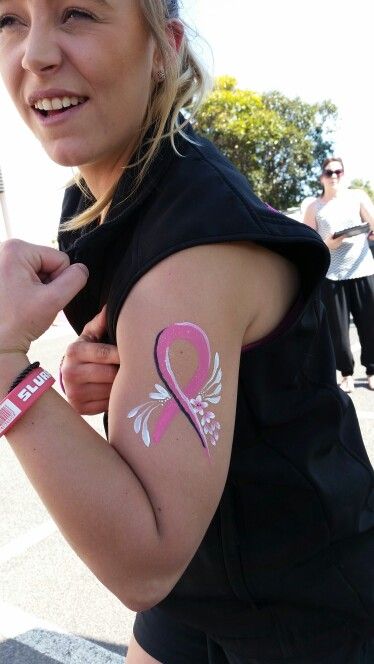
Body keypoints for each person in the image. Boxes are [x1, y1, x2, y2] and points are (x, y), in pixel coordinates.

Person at [0, 2, 373, 662]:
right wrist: (111, 378)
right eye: (8, 19)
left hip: (307, 609)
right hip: (199, 591)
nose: (34, 53)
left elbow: (145, 562)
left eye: (77, 12)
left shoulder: (191, 244)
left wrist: (5, 364)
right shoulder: (102, 200)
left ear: (163, 48)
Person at [303, 158, 374, 393]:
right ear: (321, 176)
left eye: (338, 171)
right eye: (329, 172)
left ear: (343, 174)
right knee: (339, 332)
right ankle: (346, 374)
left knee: (369, 324)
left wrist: (368, 228)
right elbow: (309, 245)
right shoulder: (314, 207)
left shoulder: (358, 196)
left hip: (364, 270)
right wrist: (329, 243)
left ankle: (372, 370)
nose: (334, 175)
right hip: (333, 276)